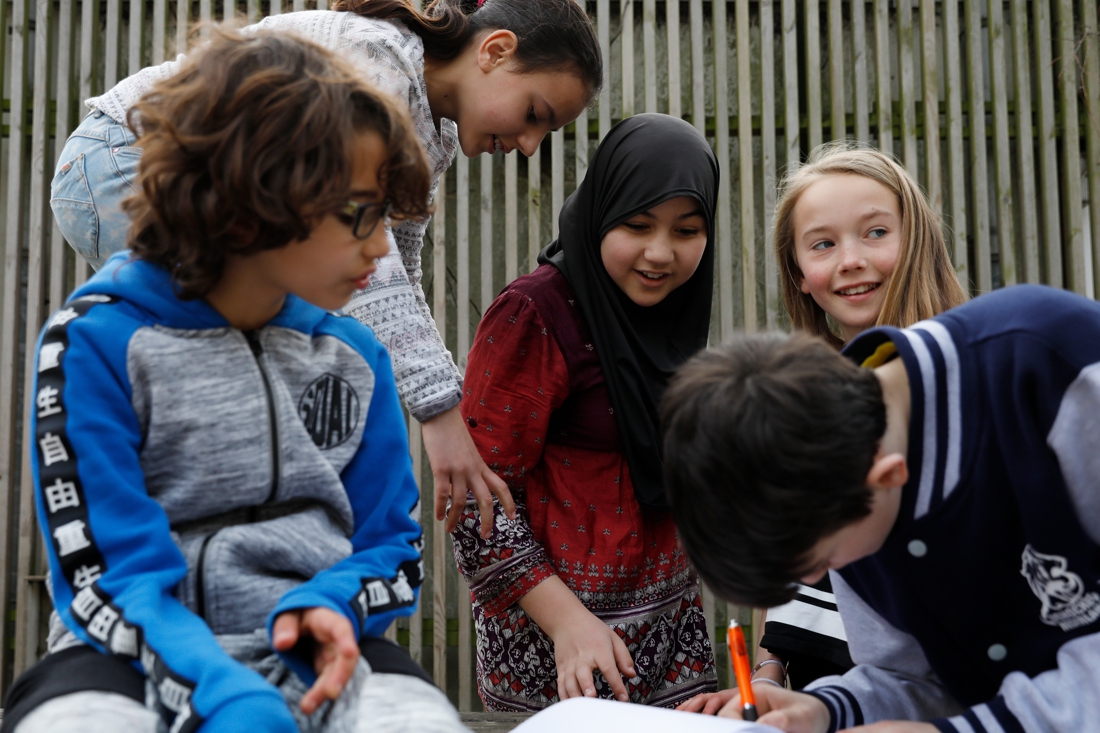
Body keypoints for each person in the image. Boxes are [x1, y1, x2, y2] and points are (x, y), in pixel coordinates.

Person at [5, 28, 466, 733]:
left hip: (322, 639)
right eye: (359, 213)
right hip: (127, 650)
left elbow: (390, 548)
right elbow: (108, 576)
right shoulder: (92, 342)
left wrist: (331, 606)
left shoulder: (358, 357)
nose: (381, 246)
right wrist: (226, 694)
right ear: (256, 195)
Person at [49, 0, 604, 542]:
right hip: (125, 156)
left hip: (207, 188)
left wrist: (436, 397)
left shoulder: (436, 134)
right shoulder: (380, 58)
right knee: (224, 367)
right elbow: (377, 257)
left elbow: (397, 270)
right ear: (496, 50)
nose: (530, 146)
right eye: (535, 115)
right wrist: (439, 412)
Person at [660, 284, 1100, 733]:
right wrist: (827, 709)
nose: (816, 580)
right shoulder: (844, 476)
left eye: (824, 560)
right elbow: (913, 675)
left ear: (888, 477)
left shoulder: (1052, 360)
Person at [450, 114, 721, 711]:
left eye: (687, 230)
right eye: (637, 224)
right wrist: (566, 623)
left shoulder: (675, 312)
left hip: (670, 642)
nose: (660, 252)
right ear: (599, 213)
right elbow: (474, 505)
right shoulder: (536, 313)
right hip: (557, 650)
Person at [700, 143, 971, 696]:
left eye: (875, 232)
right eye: (823, 244)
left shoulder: (972, 377)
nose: (851, 259)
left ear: (916, 237)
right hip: (826, 693)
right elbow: (786, 560)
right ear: (798, 272)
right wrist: (767, 679)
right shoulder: (798, 389)